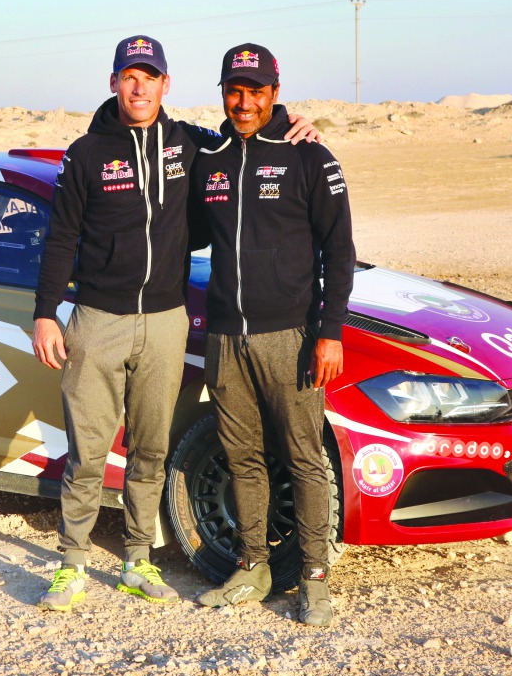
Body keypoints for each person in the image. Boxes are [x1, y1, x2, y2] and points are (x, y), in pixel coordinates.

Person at [31, 35, 318, 611]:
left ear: (167, 84)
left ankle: (138, 558)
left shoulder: (190, 144)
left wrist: (290, 123)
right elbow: (61, 237)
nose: (139, 87)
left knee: (150, 450)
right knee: (88, 453)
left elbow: (248, 131)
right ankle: (72, 563)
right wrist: (45, 313)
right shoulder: (85, 153)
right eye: (128, 76)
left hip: (165, 320)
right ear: (114, 82)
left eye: (150, 76)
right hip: (97, 319)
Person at [189, 42, 355, 626]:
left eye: (256, 92)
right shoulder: (208, 157)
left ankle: (313, 578)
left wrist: (328, 332)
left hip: (291, 335)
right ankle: (252, 567)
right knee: (243, 459)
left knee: (305, 458)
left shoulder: (309, 155)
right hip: (225, 338)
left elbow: (340, 252)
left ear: (274, 94)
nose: (244, 102)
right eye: (234, 91)